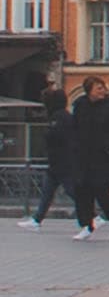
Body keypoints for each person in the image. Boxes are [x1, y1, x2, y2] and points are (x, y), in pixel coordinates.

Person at [67, 78, 109, 239]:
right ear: (88, 90)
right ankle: (86, 225)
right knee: (82, 191)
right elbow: (74, 128)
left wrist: (106, 144)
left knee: (101, 190)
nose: (102, 91)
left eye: (103, 88)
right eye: (98, 88)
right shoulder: (80, 105)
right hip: (82, 156)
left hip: (102, 156)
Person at [22, 89, 71, 228]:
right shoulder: (63, 116)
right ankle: (37, 219)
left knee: (72, 191)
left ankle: (94, 215)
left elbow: (55, 137)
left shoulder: (58, 117)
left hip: (62, 162)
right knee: (47, 191)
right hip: (58, 162)